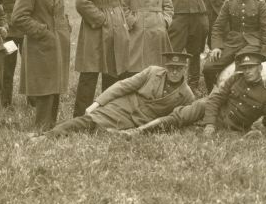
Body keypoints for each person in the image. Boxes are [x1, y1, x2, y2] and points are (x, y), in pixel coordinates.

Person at [30, 52, 194, 141]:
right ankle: (46, 136)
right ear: (166, 66)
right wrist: (97, 103)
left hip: (141, 123)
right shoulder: (152, 72)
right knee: (88, 120)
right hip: (123, 107)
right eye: (171, 67)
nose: (173, 72)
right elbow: (122, 86)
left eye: (178, 69)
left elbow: (183, 119)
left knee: (104, 134)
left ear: (184, 70)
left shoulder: (186, 95)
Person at [119, 51, 266, 136]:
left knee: (185, 130)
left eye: (251, 67)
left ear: (260, 69)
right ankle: (137, 131)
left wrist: (258, 132)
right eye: (245, 67)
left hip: (229, 129)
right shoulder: (235, 78)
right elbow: (215, 99)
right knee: (178, 117)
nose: (247, 71)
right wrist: (209, 124)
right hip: (206, 109)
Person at [12, 0, 72, 131]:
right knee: (44, 87)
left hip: (57, 44)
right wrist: (42, 31)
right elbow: (18, 17)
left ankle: (51, 127)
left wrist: (65, 28)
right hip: (41, 45)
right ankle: (41, 128)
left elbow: (59, 14)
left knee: (55, 87)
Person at [73, 0, 131, 117]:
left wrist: (118, 20)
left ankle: (108, 115)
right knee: (90, 74)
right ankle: (80, 119)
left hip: (115, 27)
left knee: (114, 72)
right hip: (95, 29)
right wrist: (102, 20)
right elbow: (82, 3)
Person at [204, 0, 266, 92]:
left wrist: (265, 52)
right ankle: (213, 94)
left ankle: (236, 96)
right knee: (208, 67)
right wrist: (216, 47)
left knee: (240, 63)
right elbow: (218, 27)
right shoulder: (229, 3)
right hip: (232, 42)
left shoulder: (260, 3)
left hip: (252, 43)